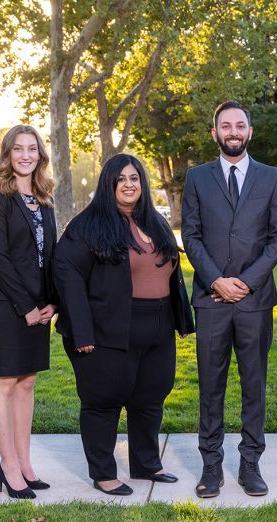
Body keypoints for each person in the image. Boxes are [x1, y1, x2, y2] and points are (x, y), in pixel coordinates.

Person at [54, 153, 194, 496]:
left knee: (150, 397)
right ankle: (103, 473)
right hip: (109, 328)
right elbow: (66, 272)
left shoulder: (155, 222)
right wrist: (82, 331)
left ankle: (146, 463)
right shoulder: (89, 225)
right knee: (104, 401)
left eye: (134, 178)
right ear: (109, 184)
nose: (129, 185)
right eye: (122, 179)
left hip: (158, 327)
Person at [182, 101, 277, 498]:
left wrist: (244, 281)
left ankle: (250, 464)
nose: (233, 131)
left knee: (253, 384)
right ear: (215, 133)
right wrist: (215, 280)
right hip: (211, 300)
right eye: (225, 125)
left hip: (254, 299)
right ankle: (211, 466)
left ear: (249, 131)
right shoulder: (196, 178)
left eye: (239, 125)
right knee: (211, 385)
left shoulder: (272, 177)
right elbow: (189, 235)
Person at [0, 125, 58, 500]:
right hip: (7, 305)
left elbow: (51, 257)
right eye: (18, 149)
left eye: (32, 149)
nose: (26, 155)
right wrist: (26, 307)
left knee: (27, 383)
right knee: (6, 382)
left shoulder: (44, 198)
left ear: (40, 155)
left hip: (39, 308)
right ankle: (8, 466)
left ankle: (25, 464)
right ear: (8, 154)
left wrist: (52, 301)